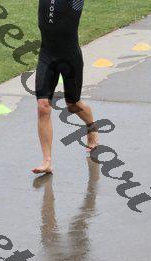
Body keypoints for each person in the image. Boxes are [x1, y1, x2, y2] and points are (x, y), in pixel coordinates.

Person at [32, 0, 99, 174]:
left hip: (70, 58)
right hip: (47, 56)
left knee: (73, 105)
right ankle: (47, 161)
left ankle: (91, 126)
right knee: (43, 106)